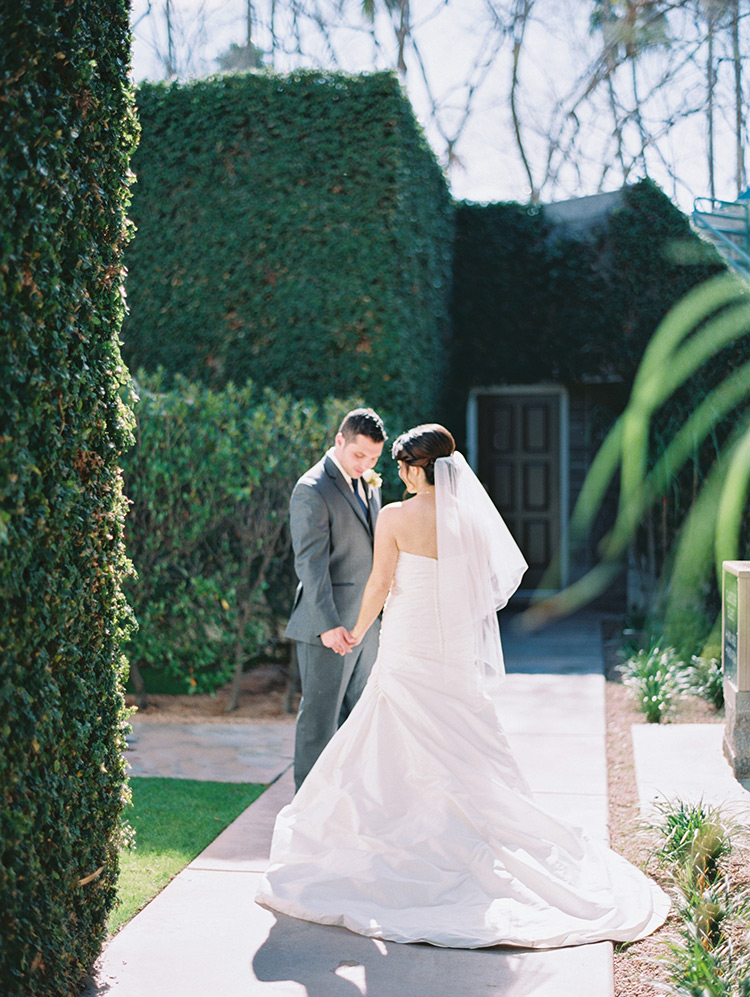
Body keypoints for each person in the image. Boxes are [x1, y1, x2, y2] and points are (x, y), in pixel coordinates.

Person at [258, 424, 670, 949]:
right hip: (451, 649)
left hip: (409, 645)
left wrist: (358, 630)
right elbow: (481, 588)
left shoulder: (395, 516)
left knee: (390, 735)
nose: (396, 474)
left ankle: (398, 834)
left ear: (415, 469)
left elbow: (381, 584)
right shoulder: (469, 519)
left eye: (402, 466)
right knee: (462, 739)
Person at [285, 407, 387, 791]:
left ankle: (346, 809)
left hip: (367, 625)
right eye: (359, 455)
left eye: (373, 459)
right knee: (320, 720)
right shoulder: (312, 488)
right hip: (327, 626)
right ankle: (306, 814)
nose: (365, 464)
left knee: (360, 720)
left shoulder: (370, 484)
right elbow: (310, 565)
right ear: (339, 440)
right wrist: (328, 624)